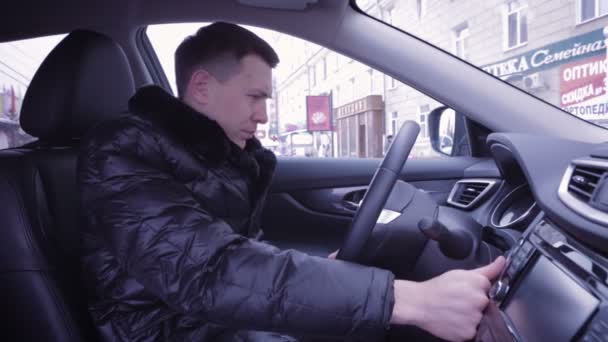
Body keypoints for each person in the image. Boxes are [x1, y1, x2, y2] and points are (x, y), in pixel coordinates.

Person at [78, 22, 505, 341]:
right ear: (203, 86)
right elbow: (208, 271)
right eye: (255, 96)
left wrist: (327, 278)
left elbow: (240, 253)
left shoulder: (221, 157)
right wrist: (410, 301)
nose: (263, 115)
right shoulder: (121, 154)